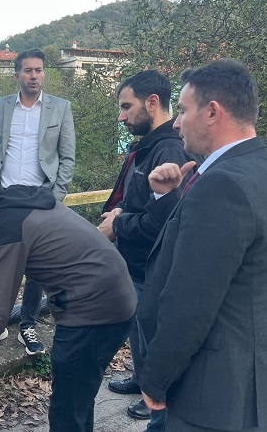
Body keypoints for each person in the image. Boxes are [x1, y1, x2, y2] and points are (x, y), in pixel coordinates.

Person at [0, 160, 135, 432]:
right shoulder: (20, 199)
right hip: (116, 297)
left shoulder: (4, 227)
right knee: (79, 397)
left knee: (67, 409)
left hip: (93, 312)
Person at [139, 59, 267, 431]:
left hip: (212, 394)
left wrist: (156, 378)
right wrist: (170, 198)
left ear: (212, 112)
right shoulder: (254, 168)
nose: (175, 123)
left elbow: (191, 299)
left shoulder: (221, 185)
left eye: (182, 110)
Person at [98, 70, 196, 426]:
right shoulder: (147, 146)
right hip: (135, 262)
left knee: (153, 336)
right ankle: (142, 381)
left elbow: (164, 221)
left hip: (153, 268)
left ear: (152, 103)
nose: (121, 116)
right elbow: (143, 202)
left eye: (127, 107)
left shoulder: (169, 150)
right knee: (139, 331)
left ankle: (156, 399)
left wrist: (118, 224)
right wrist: (121, 212)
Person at [0, 48, 76, 355]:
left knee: (37, 268)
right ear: (17, 74)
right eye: (28, 70)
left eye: (39, 70)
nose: (34, 76)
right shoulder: (0, 106)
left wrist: (54, 197)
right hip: (3, 199)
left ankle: (27, 325)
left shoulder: (60, 108)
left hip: (40, 199)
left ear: (44, 73)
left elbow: (68, 158)